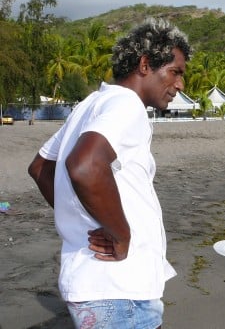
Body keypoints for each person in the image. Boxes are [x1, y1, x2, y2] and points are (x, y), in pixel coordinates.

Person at [28, 18, 192, 329]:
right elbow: (85, 165)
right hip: (119, 290)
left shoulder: (93, 102)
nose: (180, 84)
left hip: (98, 284)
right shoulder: (126, 105)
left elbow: (41, 167)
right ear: (145, 65)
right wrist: (121, 234)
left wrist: (85, 219)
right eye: (175, 72)